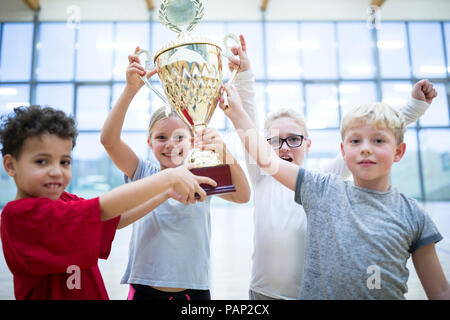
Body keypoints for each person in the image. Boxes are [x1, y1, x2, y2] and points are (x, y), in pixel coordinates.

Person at [226, 34, 441, 300]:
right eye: (273, 140)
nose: (283, 147)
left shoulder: (321, 182)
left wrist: (414, 107)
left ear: (308, 145)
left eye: (293, 139)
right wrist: (245, 75)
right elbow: (249, 124)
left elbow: (378, 133)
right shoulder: (262, 175)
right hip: (262, 294)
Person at [0, 105, 216, 300]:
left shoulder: (63, 200)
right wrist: (168, 178)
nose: (56, 171)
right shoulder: (19, 215)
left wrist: (165, 193)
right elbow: (101, 208)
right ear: (10, 165)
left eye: (64, 161)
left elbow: (115, 218)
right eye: (41, 161)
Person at [100, 47, 251, 300]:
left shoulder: (200, 173)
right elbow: (109, 141)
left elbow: (244, 196)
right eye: (161, 137)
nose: (171, 144)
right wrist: (129, 91)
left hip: (194, 289)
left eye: (179, 137)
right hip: (144, 288)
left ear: (192, 141)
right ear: (149, 143)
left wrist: (225, 152)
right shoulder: (143, 171)